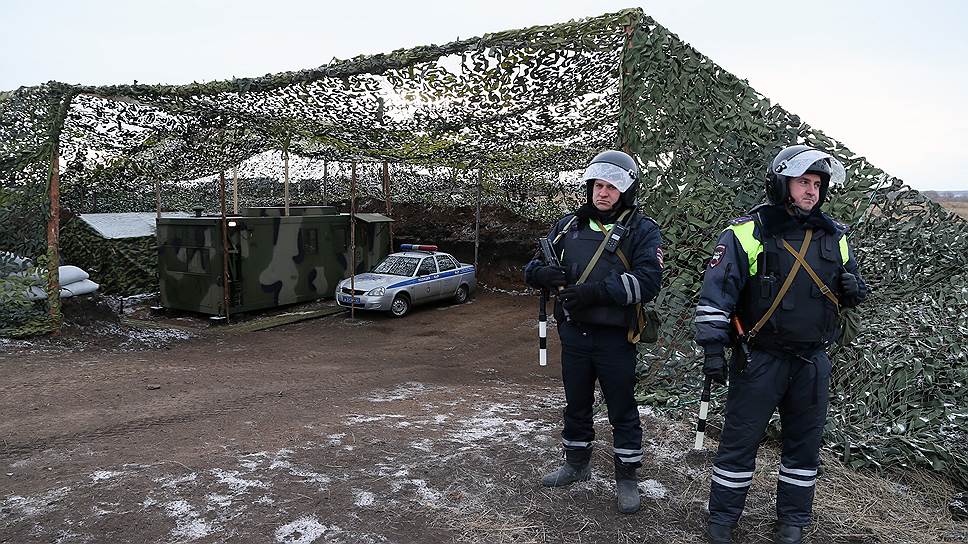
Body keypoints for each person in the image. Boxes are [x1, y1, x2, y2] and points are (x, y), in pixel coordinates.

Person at [695, 145, 867, 543]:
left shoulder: (836, 237)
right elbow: (716, 296)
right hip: (760, 359)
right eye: (803, 182)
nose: (812, 191)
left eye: (817, 184)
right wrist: (711, 350)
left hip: (812, 361)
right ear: (781, 182)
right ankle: (722, 520)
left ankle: (793, 521)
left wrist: (854, 290)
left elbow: (849, 289)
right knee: (739, 442)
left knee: (804, 448)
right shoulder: (746, 232)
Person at [524, 150, 663, 514]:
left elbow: (649, 282)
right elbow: (531, 267)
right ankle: (576, 463)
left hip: (616, 337)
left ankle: (627, 476)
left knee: (622, 409)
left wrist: (597, 292)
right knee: (577, 404)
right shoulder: (569, 226)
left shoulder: (642, 230)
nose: (603, 193)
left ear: (627, 191)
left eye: (612, 187)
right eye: (598, 186)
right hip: (574, 334)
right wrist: (541, 275)